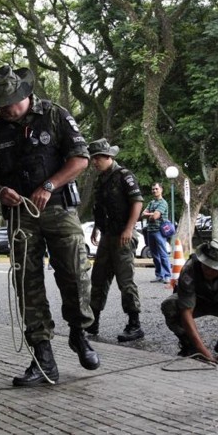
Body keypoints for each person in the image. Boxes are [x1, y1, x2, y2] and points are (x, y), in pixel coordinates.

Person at [0, 64, 100, 386]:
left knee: (75, 273)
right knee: (28, 286)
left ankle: (79, 332)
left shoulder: (54, 115)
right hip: (19, 216)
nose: (3, 110)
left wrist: (49, 185)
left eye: (7, 103)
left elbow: (80, 159)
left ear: (23, 94)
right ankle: (43, 358)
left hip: (58, 209)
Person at [85, 139, 145, 342]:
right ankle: (93, 322)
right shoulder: (101, 180)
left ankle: (134, 324)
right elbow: (100, 207)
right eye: (93, 159)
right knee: (98, 279)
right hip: (107, 236)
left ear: (108, 157)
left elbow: (137, 202)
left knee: (125, 281)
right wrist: (95, 227)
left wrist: (129, 229)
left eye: (97, 158)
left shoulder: (124, 176)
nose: (94, 162)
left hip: (122, 236)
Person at [142, 182, 172, 284]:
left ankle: (167, 276)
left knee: (163, 254)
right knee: (154, 255)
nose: (154, 191)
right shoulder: (151, 203)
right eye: (153, 189)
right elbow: (143, 214)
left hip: (159, 231)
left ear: (161, 190)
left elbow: (155, 217)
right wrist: (153, 214)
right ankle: (159, 275)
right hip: (150, 231)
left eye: (156, 189)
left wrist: (150, 214)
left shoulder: (163, 203)